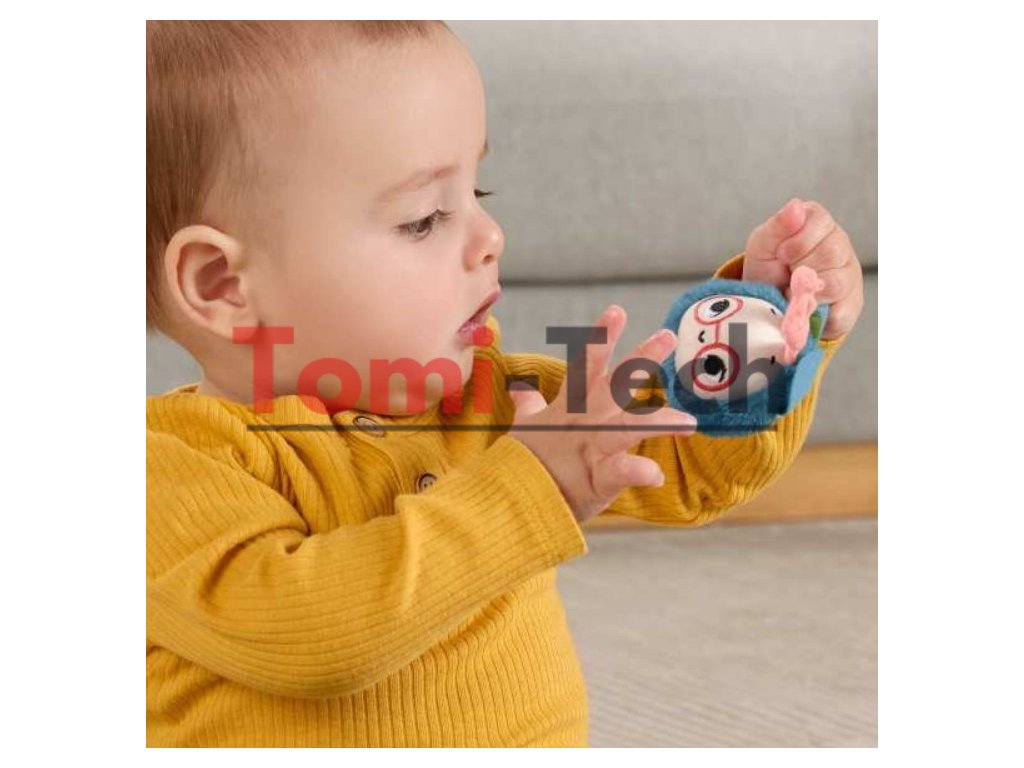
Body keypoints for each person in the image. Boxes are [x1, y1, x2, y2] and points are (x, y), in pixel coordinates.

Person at [146, 20, 864, 747]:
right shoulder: (171, 470)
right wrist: (529, 488)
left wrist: (763, 332)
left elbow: (692, 462)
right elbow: (309, 635)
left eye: (478, 189)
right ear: (222, 283)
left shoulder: (503, 398)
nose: (492, 236)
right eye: (424, 219)